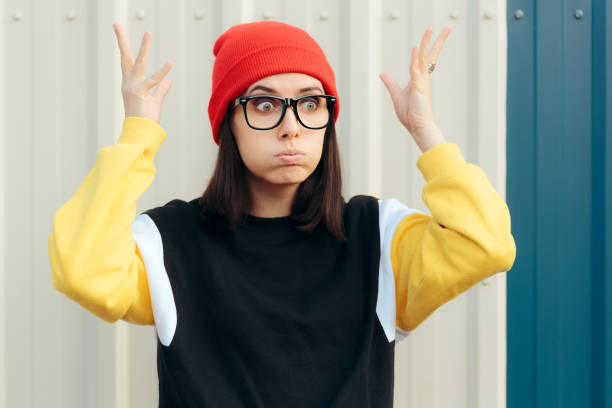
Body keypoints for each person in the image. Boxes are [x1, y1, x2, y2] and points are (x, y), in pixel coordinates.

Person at [48, 20, 516, 407]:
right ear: (228, 122)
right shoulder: (170, 242)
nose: (291, 127)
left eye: (311, 103)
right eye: (265, 103)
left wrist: (425, 130)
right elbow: (82, 271)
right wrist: (137, 135)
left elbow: (487, 245)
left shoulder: (378, 237)